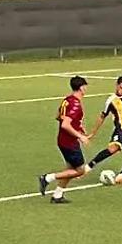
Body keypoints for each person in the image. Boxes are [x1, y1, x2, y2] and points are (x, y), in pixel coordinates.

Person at [38, 75, 93, 204]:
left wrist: (78, 126)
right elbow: (65, 124)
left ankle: (57, 195)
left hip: (63, 140)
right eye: (85, 86)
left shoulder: (67, 100)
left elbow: (59, 116)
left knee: (70, 169)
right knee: (80, 170)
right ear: (81, 87)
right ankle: (47, 178)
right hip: (69, 143)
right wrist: (80, 136)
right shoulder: (75, 105)